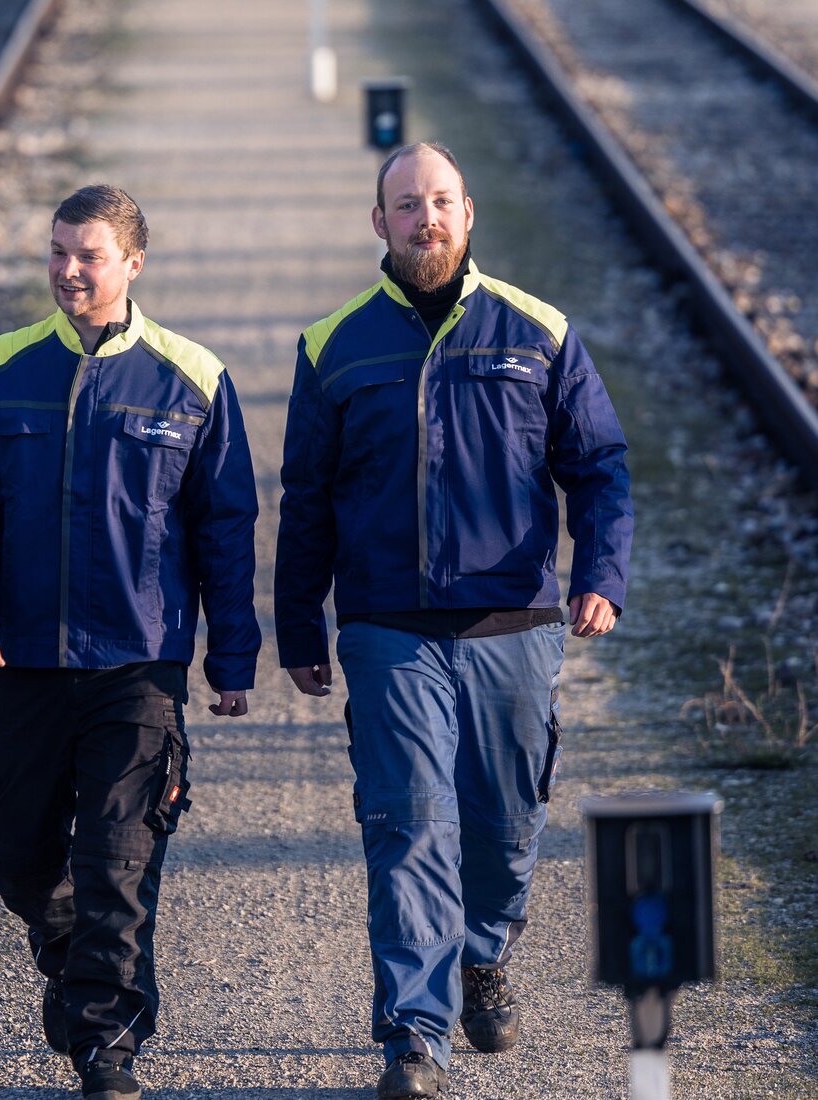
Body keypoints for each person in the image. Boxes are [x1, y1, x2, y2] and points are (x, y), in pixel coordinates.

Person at [275, 143, 632, 1099]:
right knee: (409, 822)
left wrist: (601, 574)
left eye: (440, 202)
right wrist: (299, 627)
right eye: (406, 204)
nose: (424, 219)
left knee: (505, 822)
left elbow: (600, 469)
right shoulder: (333, 345)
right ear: (380, 223)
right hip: (389, 627)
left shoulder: (539, 331)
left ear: (467, 214)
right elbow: (305, 499)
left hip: (515, 620)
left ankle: (483, 952)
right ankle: (414, 1035)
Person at [0, 184, 261, 1100]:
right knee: (18, 854)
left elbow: (226, 531)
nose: (68, 270)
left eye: (89, 255)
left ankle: (106, 1046)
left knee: (118, 863)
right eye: (58, 251)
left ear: (133, 264)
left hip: (138, 664)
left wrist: (232, 657)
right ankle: (69, 950)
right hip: (23, 659)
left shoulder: (192, 377)